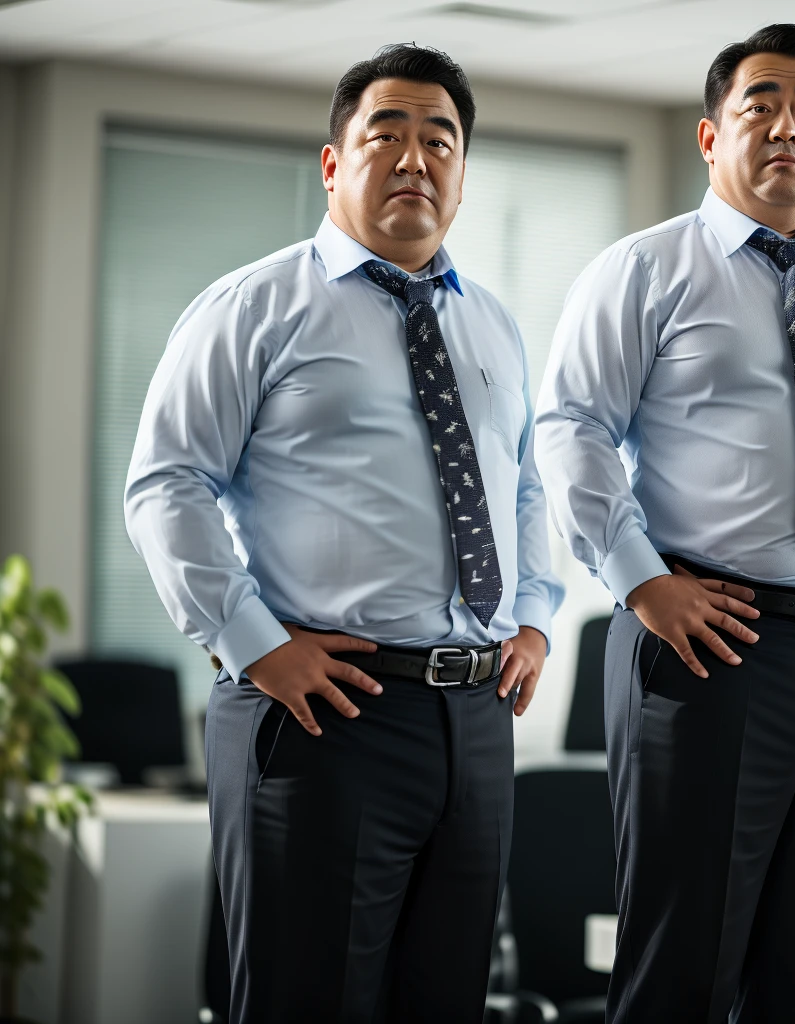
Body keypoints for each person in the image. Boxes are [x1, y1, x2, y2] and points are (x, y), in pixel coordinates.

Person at [534, 23, 795, 1024]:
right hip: (705, 640)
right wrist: (641, 582)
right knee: (683, 966)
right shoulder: (642, 271)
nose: (784, 126)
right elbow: (570, 432)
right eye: (758, 106)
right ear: (708, 136)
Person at [125, 43, 563, 1023]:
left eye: (439, 138)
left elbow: (525, 485)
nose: (415, 156)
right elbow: (165, 484)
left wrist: (532, 617)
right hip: (325, 713)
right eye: (387, 133)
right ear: (333, 162)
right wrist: (255, 646)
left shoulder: (490, 322)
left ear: (461, 172)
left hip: (474, 720)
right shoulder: (253, 307)